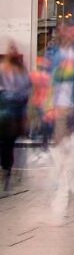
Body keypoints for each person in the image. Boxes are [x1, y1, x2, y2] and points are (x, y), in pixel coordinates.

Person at [0, 43, 31, 191]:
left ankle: (8, 171)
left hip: (15, 113)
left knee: (9, 143)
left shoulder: (21, 71)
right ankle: (7, 170)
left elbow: (26, 91)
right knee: (7, 144)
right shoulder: (3, 69)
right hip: (6, 112)